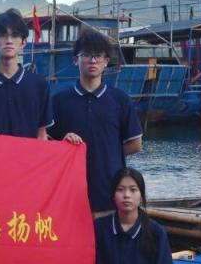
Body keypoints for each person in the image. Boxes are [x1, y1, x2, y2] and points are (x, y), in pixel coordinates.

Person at [48, 29, 142, 215]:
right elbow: (47, 144)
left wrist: (106, 152)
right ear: (76, 60)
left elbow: (135, 144)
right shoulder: (59, 101)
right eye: (86, 55)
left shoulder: (120, 100)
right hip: (69, 193)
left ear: (106, 61)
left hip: (110, 193)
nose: (92, 61)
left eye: (98, 56)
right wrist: (64, 145)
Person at [0, 9, 53, 139]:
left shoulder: (39, 86)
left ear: (23, 42)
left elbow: (42, 134)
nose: (9, 40)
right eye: (3, 35)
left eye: (15, 35)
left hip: (28, 153)